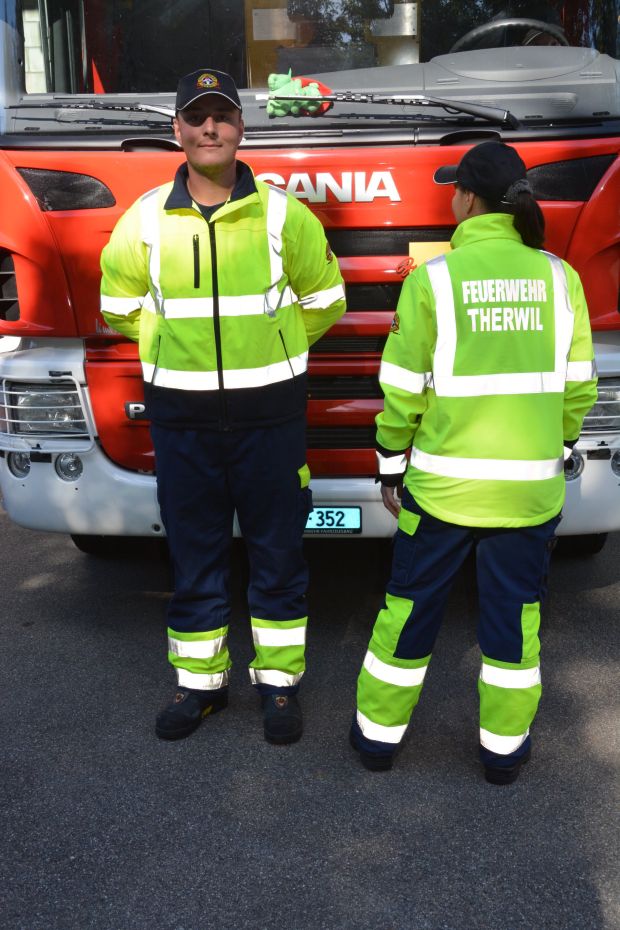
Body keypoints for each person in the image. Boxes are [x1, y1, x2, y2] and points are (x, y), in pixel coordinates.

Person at [100, 69, 346, 744]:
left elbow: (328, 300)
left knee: (277, 553)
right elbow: (116, 306)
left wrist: (275, 348)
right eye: (196, 117)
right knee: (195, 553)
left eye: (222, 116)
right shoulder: (146, 218)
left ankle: (279, 687)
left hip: (269, 417)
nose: (210, 128)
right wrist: (170, 347)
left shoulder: (283, 213)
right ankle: (200, 687)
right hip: (182, 420)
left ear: (242, 129)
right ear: (176, 130)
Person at [349, 141, 597, 783]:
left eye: (455, 189)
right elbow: (578, 390)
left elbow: (402, 389)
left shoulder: (434, 280)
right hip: (529, 497)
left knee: (407, 610)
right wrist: (557, 446)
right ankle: (503, 753)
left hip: (443, 494)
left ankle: (378, 740)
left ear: (467, 199)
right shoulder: (559, 277)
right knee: (516, 623)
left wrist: (388, 462)